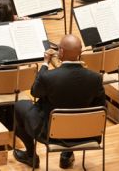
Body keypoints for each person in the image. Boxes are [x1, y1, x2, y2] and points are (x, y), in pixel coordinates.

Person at [13, 34, 105, 169]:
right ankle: (66, 156)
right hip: (85, 134)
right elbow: (101, 107)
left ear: (61, 51)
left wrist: (45, 64)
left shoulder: (49, 77)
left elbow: (35, 92)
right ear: (80, 52)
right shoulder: (96, 78)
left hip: (52, 135)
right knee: (74, 108)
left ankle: (31, 156)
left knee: (20, 105)